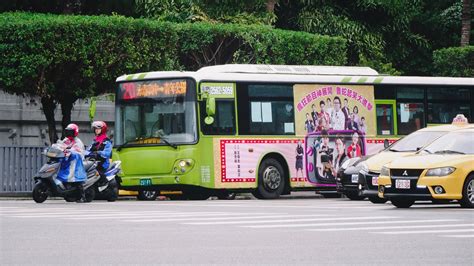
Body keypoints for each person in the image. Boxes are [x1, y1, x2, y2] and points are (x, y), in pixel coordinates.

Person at [56, 123, 87, 202]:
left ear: (75, 132)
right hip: (67, 162)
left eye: (71, 132)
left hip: (76, 163)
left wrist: (70, 151)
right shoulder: (66, 140)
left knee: (76, 179)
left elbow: (78, 152)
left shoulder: (78, 142)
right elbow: (61, 146)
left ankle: (82, 197)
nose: (69, 134)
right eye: (67, 132)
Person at [86, 121, 113, 186]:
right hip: (93, 161)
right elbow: (88, 149)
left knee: (98, 172)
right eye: (95, 129)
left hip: (103, 163)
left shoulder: (106, 141)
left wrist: (98, 152)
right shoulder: (95, 140)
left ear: (103, 130)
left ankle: (104, 182)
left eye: (98, 129)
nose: (96, 130)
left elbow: (107, 153)